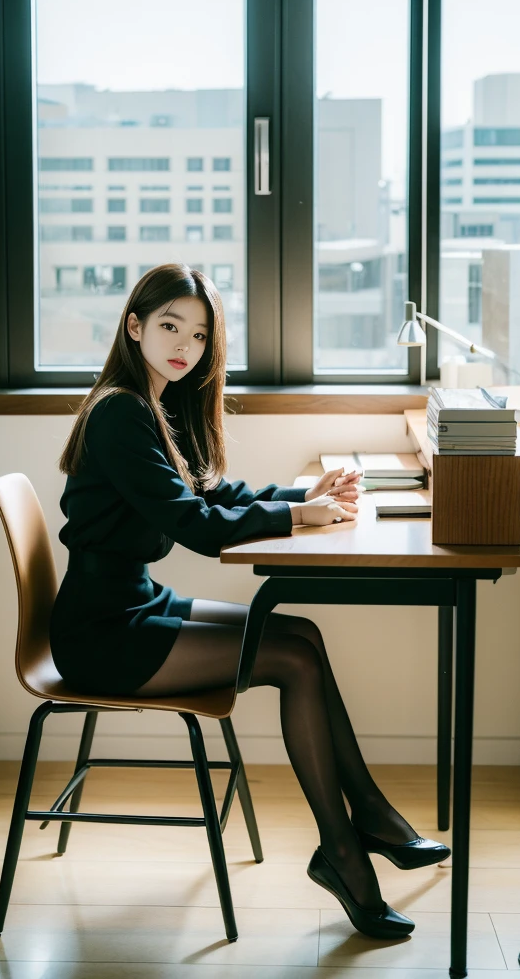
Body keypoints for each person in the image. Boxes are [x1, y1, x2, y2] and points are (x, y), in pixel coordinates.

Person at [50, 262, 449, 941]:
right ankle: (348, 852)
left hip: (135, 605)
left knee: (300, 636)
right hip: (103, 634)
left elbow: (212, 494)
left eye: (199, 335)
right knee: (291, 656)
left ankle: (369, 822)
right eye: (170, 326)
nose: (184, 345)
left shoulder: (157, 400)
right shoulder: (120, 411)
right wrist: (301, 521)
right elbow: (198, 529)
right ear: (135, 326)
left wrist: (305, 496)